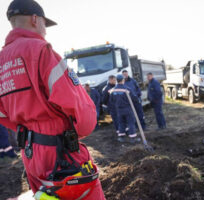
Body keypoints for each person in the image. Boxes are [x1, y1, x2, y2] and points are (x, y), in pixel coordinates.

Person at [0, 0, 106, 199]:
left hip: (30, 153)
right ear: (34, 19)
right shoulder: (41, 51)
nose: (45, 31)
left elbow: (3, 114)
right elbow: (80, 109)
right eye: (43, 24)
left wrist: (28, 129)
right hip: (60, 150)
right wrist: (75, 133)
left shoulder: (1, 60)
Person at [110, 75, 141, 143]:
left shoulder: (113, 90)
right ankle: (132, 138)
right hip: (127, 109)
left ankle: (121, 137)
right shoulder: (127, 89)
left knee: (121, 122)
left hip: (118, 110)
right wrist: (138, 100)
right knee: (130, 122)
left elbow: (111, 101)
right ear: (122, 80)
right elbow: (134, 98)